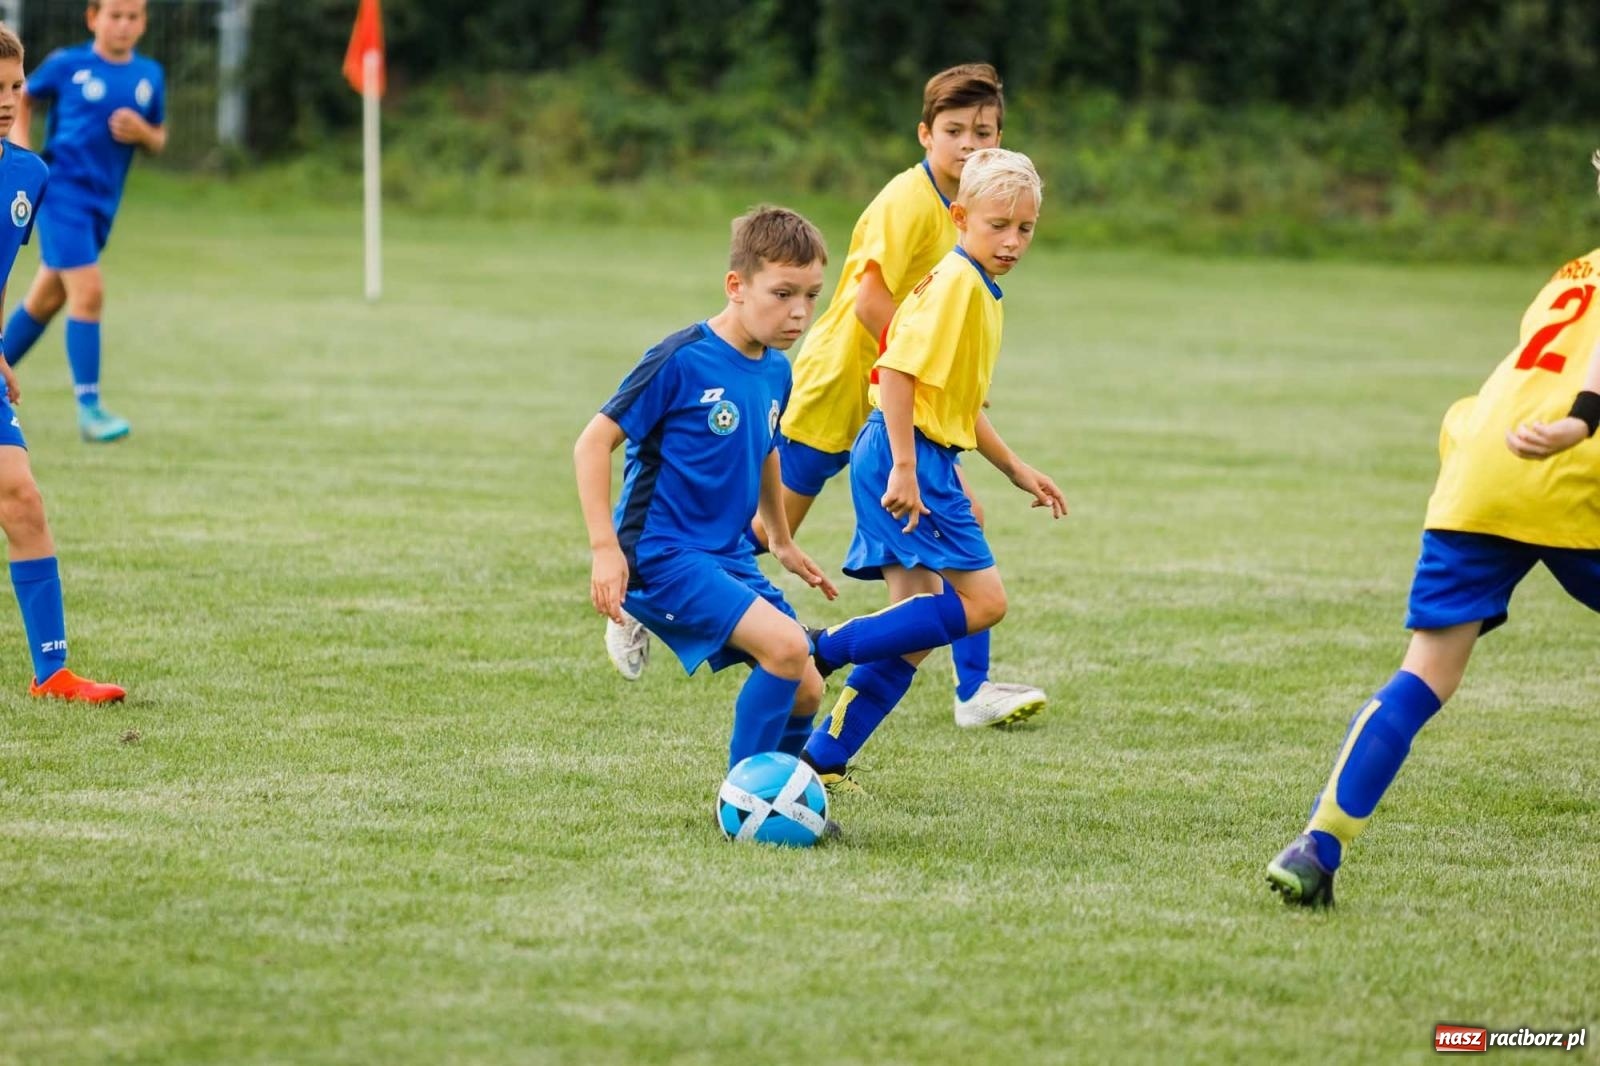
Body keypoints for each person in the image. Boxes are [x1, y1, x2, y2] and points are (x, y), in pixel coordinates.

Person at [606, 64, 1051, 731]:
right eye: (954, 131)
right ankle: (649, 594)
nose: (968, 145)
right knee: (756, 529)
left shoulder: (985, 218)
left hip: (899, 407)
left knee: (943, 555)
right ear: (926, 134)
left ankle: (960, 693)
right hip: (839, 382)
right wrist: (918, 365)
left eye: (982, 133)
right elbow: (873, 302)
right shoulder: (910, 200)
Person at [1266, 151, 1600, 907]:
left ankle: (1316, 846)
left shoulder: (1573, 273)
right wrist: (1583, 420)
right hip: (1573, 466)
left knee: (1424, 675)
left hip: (1483, 466)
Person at [797, 148, 1066, 790]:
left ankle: (821, 763)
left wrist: (1013, 467)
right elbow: (893, 371)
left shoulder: (974, 286)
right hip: (904, 454)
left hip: (911, 452)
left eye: (1024, 228)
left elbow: (959, 403)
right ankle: (822, 646)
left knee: (912, 634)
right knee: (983, 601)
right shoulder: (955, 287)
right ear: (960, 216)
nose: (1012, 241)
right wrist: (907, 467)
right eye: (997, 225)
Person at [0, 23, 124, 703]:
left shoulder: (28, 175)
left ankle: (52, 674)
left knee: (22, 498)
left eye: (15, 87)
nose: (8, 99)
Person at [3, 0, 165, 443]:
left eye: (133, 17)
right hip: (60, 193)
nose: (124, 25)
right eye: (115, 16)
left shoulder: (149, 74)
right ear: (93, 18)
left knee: (44, 301)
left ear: (144, 23)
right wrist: (25, 156)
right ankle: (89, 409)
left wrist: (143, 133)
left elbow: (160, 137)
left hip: (100, 206)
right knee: (88, 291)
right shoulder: (67, 64)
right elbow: (25, 99)